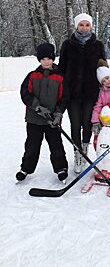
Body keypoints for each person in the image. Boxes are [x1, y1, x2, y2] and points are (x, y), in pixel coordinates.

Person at [58, 13, 106, 174]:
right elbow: (62, 68)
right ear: (76, 26)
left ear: (91, 26)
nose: (84, 28)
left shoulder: (98, 45)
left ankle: (84, 149)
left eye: (87, 25)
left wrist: (106, 83)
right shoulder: (67, 44)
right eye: (81, 25)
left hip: (90, 92)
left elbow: (103, 67)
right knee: (75, 124)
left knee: (87, 124)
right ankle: (77, 153)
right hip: (71, 93)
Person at [16, 43, 69, 182]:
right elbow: (25, 93)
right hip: (34, 119)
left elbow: (64, 98)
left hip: (52, 120)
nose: (46, 61)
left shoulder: (60, 78)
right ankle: (25, 168)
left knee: (56, 145)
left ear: (53, 59)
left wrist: (58, 114)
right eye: (43, 59)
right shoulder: (32, 76)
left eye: (49, 58)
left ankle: (61, 168)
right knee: (32, 146)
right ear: (39, 60)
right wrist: (37, 107)